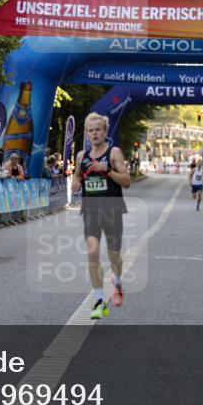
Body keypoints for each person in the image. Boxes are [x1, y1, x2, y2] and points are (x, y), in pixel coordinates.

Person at [72, 112, 130, 320]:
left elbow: (126, 181)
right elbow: (77, 176)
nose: (94, 133)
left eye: (98, 129)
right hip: (91, 210)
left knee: (114, 255)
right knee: (93, 252)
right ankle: (98, 300)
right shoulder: (81, 156)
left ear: (105, 131)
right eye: (90, 130)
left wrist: (107, 171)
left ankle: (118, 281)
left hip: (113, 209)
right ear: (87, 133)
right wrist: (75, 183)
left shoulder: (113, 153)